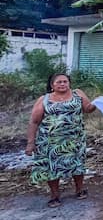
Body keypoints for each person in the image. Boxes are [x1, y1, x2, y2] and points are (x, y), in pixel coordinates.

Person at [25, 74, 97, 207]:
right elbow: (34, 121)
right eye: (59, 82)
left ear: (69, 83)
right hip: (50, 141)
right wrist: (31, 143)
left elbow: (88, 109)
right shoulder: (44, 99)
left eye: (65, 81)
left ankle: (80, 189)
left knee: (77, 163)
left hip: (75, 138)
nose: (62, 84)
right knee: (52, 167)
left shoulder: (78, 94)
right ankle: (55, 195)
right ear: (52, 85)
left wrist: (98, 102)